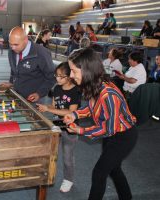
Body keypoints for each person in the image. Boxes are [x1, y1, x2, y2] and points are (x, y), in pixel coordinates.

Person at [64, 48, 138, 200]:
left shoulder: (108, 94)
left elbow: (107, 129)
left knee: (100, 172)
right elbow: (93, 108)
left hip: (123, 136)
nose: (71, 76)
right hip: (113, 133)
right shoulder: (94, 84)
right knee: (114, 169)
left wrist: (81, 130)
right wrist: (75, 114)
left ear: (87, 70)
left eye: (73, 71)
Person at [36, 62, 81, 193]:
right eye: (56, 75)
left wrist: (51, 110)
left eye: (61, 76)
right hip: (57, 125)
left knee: (67, 157)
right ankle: (47, 173)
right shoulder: (56, 88)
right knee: (50, 152)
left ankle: (68, 180)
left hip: (70, 128)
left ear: (70, 77)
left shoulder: (75, 91)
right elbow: (54, 107)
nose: (57, 79)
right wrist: (44, 108)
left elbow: (70, 112)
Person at [0, 26, 55, 103]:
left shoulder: (41, 53)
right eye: (10, 44)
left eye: (16, 44)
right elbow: (14, 70)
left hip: (36, 99)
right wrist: (11, 82)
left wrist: (39, 93)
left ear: (25, 40)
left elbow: (51, 77)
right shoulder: (12, 51)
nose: (13, 48)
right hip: (17, 96)